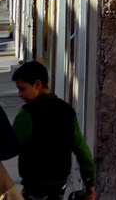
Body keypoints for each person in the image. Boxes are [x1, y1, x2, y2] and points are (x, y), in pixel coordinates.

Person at [11, 62, 95, 200]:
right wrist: (89, 181)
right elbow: (81, 149)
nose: (20, 95)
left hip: (35, 186)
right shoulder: (67, 110)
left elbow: (11, 145)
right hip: (59, 183)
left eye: (22, 89)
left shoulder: (27, 114)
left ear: (37, 84)